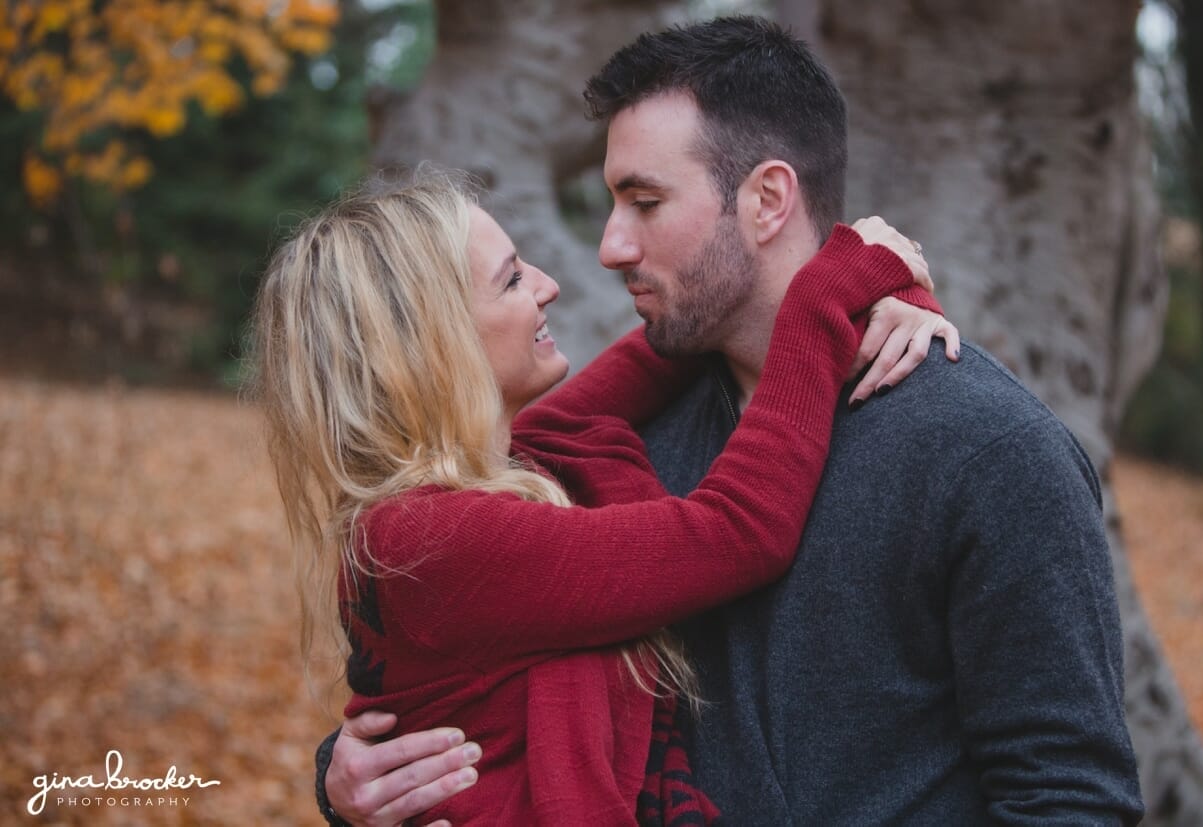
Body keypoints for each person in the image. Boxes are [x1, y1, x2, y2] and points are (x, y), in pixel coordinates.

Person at [318, 16, 1144, 826]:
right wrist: (346, 771)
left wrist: (864, 284)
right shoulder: (604, 451)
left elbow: (1070, 796)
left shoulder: (987, 449)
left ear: (768, 199)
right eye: (612, 201)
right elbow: (461, 672)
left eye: (644, 201)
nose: (607, 247)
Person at [254, 166, 950, 825]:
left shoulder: (506, 464)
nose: (549, 285)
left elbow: (694, 330)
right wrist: (830, 288)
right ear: (433, 345)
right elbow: (739, 529)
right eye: (512, 280)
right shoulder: (430, 538)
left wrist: (872, 290)